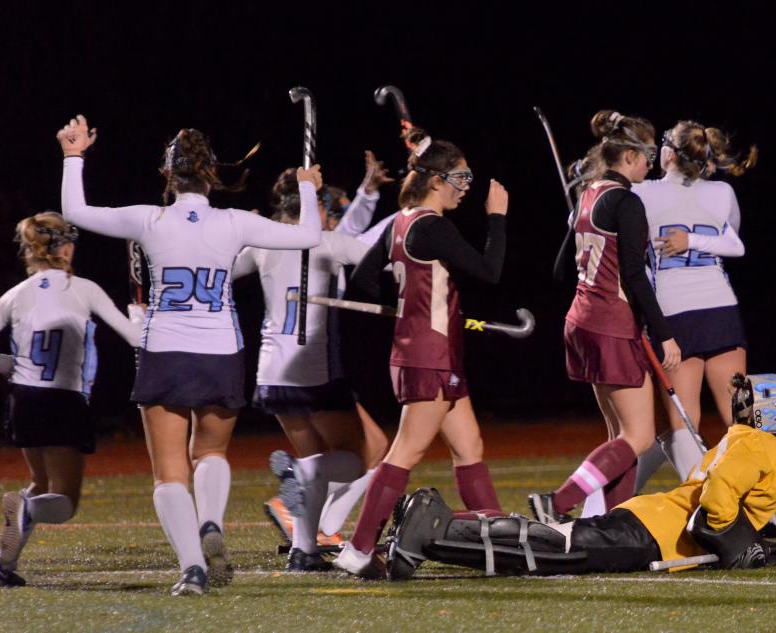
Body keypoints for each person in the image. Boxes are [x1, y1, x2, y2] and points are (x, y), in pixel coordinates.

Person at [56, 114, 322, 595]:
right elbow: (308, 237)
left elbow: (75, 211)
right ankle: (212, 522)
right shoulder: (235, 221)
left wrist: (73, 155)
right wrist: (307, 189)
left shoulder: (148, 218)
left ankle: (193, 569)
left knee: (169, 473)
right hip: (221, 351)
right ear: (211, 175)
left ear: (167, 175)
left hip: (166, 349)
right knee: (212, 452)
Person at [385, 373, 776, 579]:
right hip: (656, 532)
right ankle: (432, 524)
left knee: (548, 549)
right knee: (550, 550)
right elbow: (716, 503)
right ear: (769, 411)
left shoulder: (743, 440)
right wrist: (737, 545)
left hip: (651, 522)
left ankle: (433, 530)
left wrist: (752, 542)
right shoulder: (765, 445)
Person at [333, 127, 509, 578]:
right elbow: (489, 271)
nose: (466, 188)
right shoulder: (432, 226)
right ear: (436, 180)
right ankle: (357, 548)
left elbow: (363, 282)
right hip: (428, 355)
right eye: (461, 178)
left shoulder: (399, 223)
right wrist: (497, 217)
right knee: (405, 452)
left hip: (429, 350)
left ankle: (499, 545)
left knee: (470, 446)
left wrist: (409, 305)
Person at [233, 151, 394, 571]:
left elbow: (222, 271)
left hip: (270, 372)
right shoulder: (328, 242)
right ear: (314, 207)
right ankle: (304, 508)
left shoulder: (263, 241)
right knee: (358, 458)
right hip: (314, 373)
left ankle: (304, 550)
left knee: (312, 461)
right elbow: (383, 260)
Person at [0, 212, 144, 587]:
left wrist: (13, 365)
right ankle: (25, 508)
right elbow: (135, 338)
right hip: (62, 402)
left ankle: (1, 565)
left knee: (40, 481)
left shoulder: (14, 296)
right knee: (62, 504)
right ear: (63, 246)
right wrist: (140, 317)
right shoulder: (83, 288)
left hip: (24, 400)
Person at [532, 110, 682, 525]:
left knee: (622, 438)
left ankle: (610, 523)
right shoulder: (626, 202)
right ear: (630, 155)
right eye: (648, 155)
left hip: (580, 319)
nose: (650, 164)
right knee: (639, 435)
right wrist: (664, 333)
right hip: (611, 322)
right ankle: (557, 503)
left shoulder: (588, 196)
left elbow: (561, 270)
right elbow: (634, 274)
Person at [629, 120, 759, 493]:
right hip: (721, 310)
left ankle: (709, 507)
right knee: (741, 419)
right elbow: (732, 241)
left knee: (682, 426)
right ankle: (760, 508)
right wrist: (697, 239)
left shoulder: (641, 192)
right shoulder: (723, 192)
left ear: (668, 152)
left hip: (674, 316)